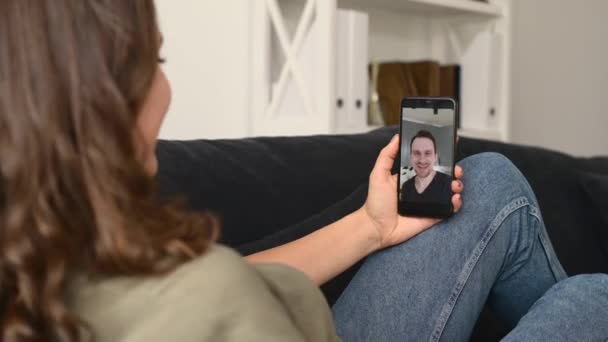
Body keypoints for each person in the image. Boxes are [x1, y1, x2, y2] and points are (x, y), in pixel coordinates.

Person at [0, 1, 606, 342]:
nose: (166, 87)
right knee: (588, 302)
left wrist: (371, 227)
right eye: (153, 61)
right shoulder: (208, 300)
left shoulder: (42, 248)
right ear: (100, 99)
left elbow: (222, 282)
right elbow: (212, 292)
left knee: (490, 182)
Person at [401, 130, 452, 203]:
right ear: (411, 157)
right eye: (417, 153)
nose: (422, 160)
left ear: (435, 157)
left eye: (427, 153)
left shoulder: (449, 184)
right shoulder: (406, 187)